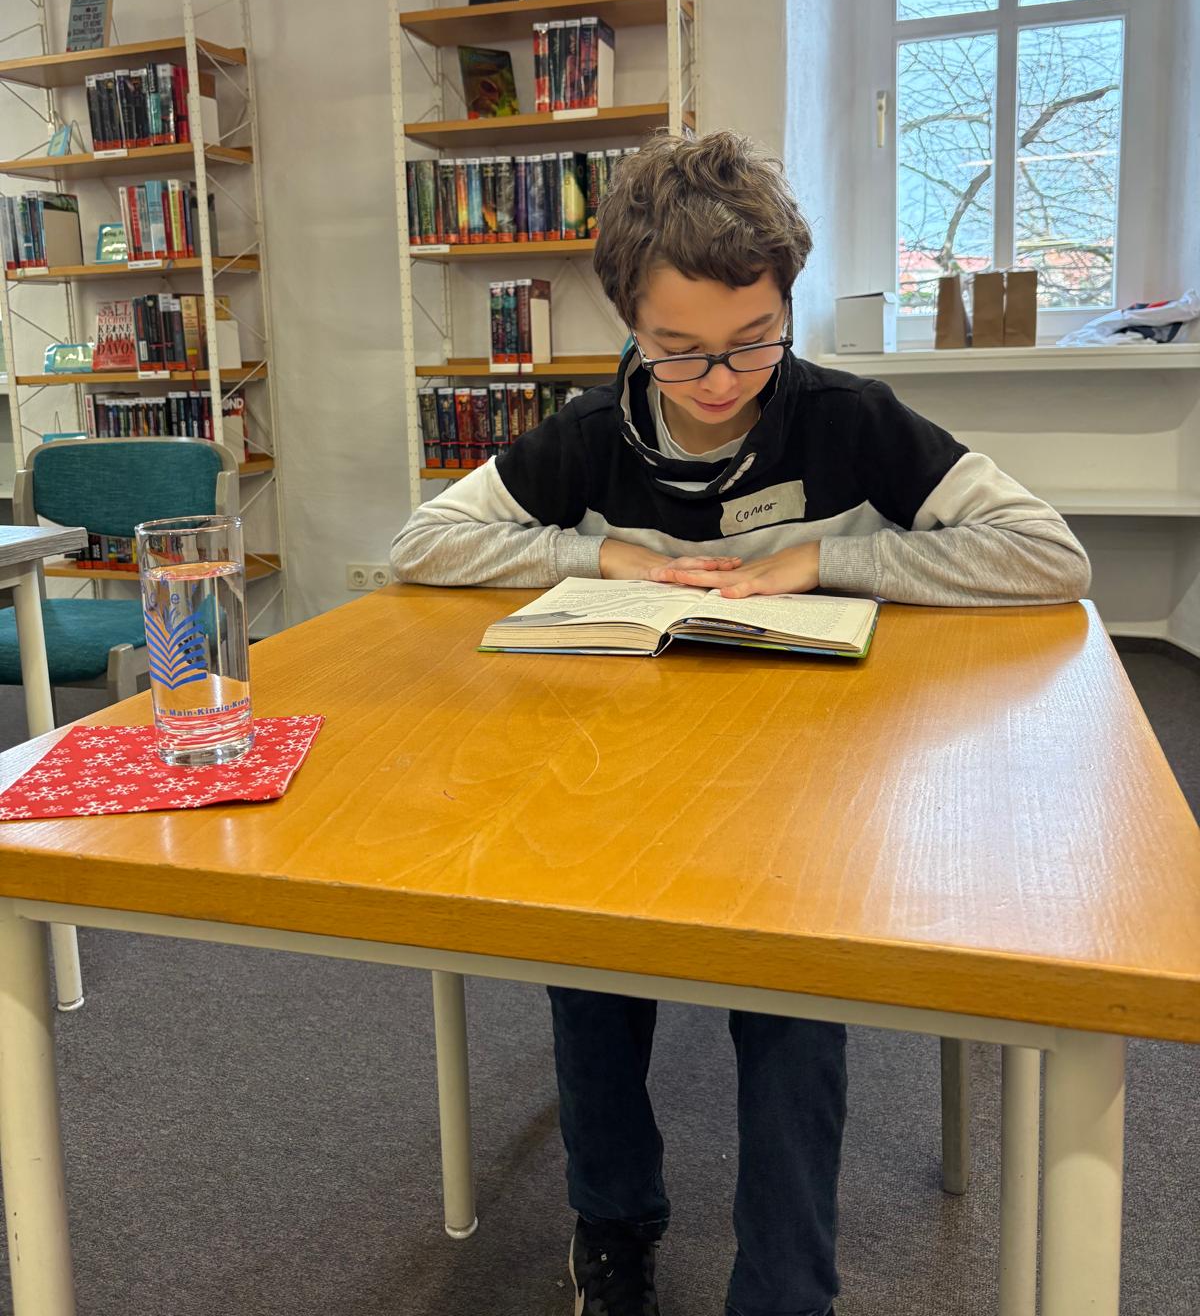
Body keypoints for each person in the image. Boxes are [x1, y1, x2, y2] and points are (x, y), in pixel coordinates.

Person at [391, 130, 1090, 1316]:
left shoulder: (846, 417)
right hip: (621, 779)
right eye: (680, 351)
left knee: (792, 1000)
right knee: (585, 962)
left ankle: (783, 1291)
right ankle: (614, 1225)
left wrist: (826, 559)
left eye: (754, 339)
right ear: (629, 323)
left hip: (806, 790)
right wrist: (604, 553)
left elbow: (1048, 553)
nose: (720, 380)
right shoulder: (593, 432)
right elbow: (425, 543)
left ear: (786, 305)